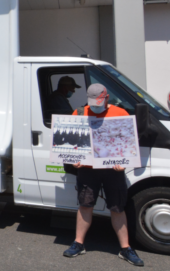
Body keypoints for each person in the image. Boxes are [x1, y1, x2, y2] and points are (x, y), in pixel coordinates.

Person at [63, 83, 144, 267]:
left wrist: (123, 162)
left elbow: (129, 143)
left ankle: (125, 248)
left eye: (98, 102)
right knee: (85, 205)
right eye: (92, 102)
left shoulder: (121, 114)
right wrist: (73, 159)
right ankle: (78, 243)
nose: (95, 106)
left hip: (112, 171)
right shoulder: (80, 113)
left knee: (117, 207)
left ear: (106, 98)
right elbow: (73, 142)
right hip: (87, 169)